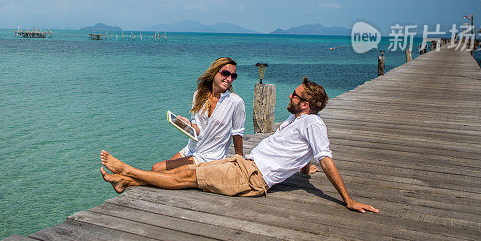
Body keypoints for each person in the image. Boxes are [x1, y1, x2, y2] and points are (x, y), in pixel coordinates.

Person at [101, 77, 378, 213]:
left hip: (251, 177)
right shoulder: (296, 122)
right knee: (179, 175)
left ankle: (128, 171)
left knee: (187, 176)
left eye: (295, 95)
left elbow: (325, 157)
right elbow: (304, 152)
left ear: (305, 105)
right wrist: (305, 172)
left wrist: (348, 200)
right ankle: (126, 182)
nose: (290, 95)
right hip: (242, 165)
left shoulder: (312, 123)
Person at [150, 57, 245, 172]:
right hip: (191, 149)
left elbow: (237, 134)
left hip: (210, 157)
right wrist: (188, 125)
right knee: (157, 169)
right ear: (214, 72)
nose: (229, 79)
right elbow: (197, 128)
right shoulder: (199, 95)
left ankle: (127, 177)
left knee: (157, 169)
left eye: (233, 76)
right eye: (225, 74)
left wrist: (240, 161)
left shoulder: (236, 102)